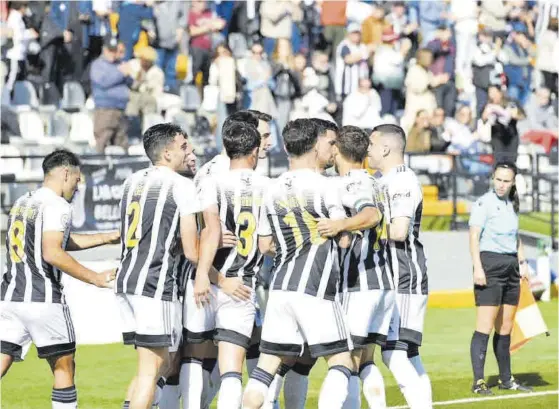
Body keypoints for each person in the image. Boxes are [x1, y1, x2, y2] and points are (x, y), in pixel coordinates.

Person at [242, 118, 354, 409]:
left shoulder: (272, 188)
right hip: (315, 287)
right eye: (328, 143)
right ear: (315, 145)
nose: (332, 148)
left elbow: (265, 245)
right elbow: (341, 238)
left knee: (265, 368)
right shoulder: (326, 186)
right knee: (341, 361)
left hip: (280, 287)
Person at [0, 149, 118, 409]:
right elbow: (52, 251)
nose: (77, 188)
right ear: (66, 173)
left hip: (9, 298)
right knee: (64, 365)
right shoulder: (58, 205)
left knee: (2, 359)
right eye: (77, 180)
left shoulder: (23, 202)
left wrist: (107, 237)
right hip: (43, 299)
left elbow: (57, 241)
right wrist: (95, 278)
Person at [181, 110, 272, 409]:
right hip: (238, 283)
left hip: (205, 279)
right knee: (232, 367)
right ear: (254, 149)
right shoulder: (266, 186)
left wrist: (203, 276)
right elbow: (265, 242)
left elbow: (208, 231)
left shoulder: (210, 180)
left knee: (194, 355)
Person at [116, 123, 201, 409]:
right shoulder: (182, 185)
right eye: (183, 147)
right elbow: (192, 250)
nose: (188, 151)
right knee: (152, 369)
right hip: (155, 282)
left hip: (126, 280)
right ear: (167, 153)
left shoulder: (131, 181)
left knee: (157, 364)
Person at [316, 126, 394, 409]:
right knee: (366, 359)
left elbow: (371, 214)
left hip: (358, 281)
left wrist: (340, 224)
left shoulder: (352, 183)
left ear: (336, 149)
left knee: (345, 359)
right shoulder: (374, 181)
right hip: (379, 278)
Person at [368, 124, 432, 409]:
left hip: (403, 273)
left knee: (394, 353)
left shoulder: (402, 181)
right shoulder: (382, 180)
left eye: (370, 145)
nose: (367, 151)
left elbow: (399, 232)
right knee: (409, 354)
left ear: (384, 148)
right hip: (391, 275)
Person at [468, 161, 533, 395]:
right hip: (490, 265)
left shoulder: (512, 205)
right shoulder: (483, 203)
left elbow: (516, 238)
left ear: (513, 182)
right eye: (498, 179)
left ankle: (507, 380)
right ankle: (479, 382)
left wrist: (523, 263)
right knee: (484, 327)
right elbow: (474, 237)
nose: (502, 185)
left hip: (511, 267)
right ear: (492, 178)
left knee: (505, 328)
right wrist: (478, 268)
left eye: (506, 181)